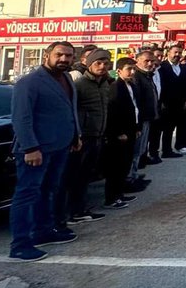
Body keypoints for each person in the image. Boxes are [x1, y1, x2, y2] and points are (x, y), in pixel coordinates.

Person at [8, 42, 82, 261]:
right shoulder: (29, 82)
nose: (64, 59)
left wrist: (76, 134)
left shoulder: (67, 78)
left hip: (60, 146)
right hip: (36, 150)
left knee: (49, 190)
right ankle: (20, 244)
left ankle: (44, 231)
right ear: (47, 55)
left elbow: (70, 108)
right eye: (59, 54)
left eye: (68, 56)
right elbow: (21, 117)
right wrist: (30, 147)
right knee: (27, 194)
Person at [68, 48, 116, 223]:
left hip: (98, 135)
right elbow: (71, 111)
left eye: (106, 63)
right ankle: (74, 212)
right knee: (77, 176)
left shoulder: (104, 83)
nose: (102, 66)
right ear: (89, 64)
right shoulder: (80, 84)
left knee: (87, 174)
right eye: (98, 63)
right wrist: (76, 135)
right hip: (84, 137)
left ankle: (81, 208)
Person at [104, 58, 142, 210]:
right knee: (116, 167)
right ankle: (111, 198)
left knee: (125, 164)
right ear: (119, 70)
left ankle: (119, 193)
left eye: (134, 69)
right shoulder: (115, 87)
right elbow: (112, 112)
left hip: (131, 130)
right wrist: (117, 133)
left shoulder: (131, 85)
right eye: (128, 69)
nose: (132, 72)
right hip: (120, 134)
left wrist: (137, 127)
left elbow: (135, 108)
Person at [127, 48, 158, 190]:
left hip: (147, 118)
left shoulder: (147, 75)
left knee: (140, 149)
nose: (150, 63)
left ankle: (133, 175)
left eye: (152, 61)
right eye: (147, 61)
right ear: (137, 61)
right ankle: (129, 179)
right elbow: (135, 101)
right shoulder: (137, 77)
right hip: (139, 120)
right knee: (135, 150)